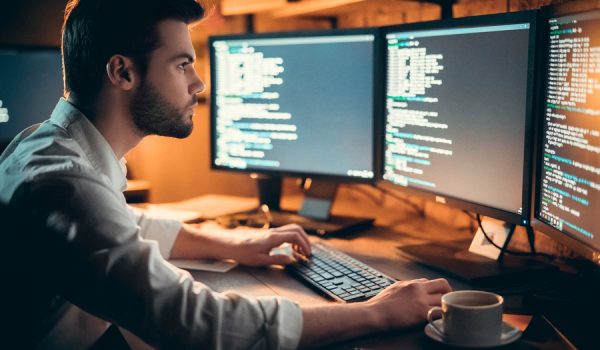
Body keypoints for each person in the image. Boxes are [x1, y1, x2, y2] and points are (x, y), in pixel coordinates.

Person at [0, 0, 452, 348]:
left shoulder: (52, 147)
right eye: (182, 64)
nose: (198, 83)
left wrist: (237, 243)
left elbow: (121, 225)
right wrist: (377, 313)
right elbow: (200, 327)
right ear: (122, 72)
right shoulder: (63, 183)